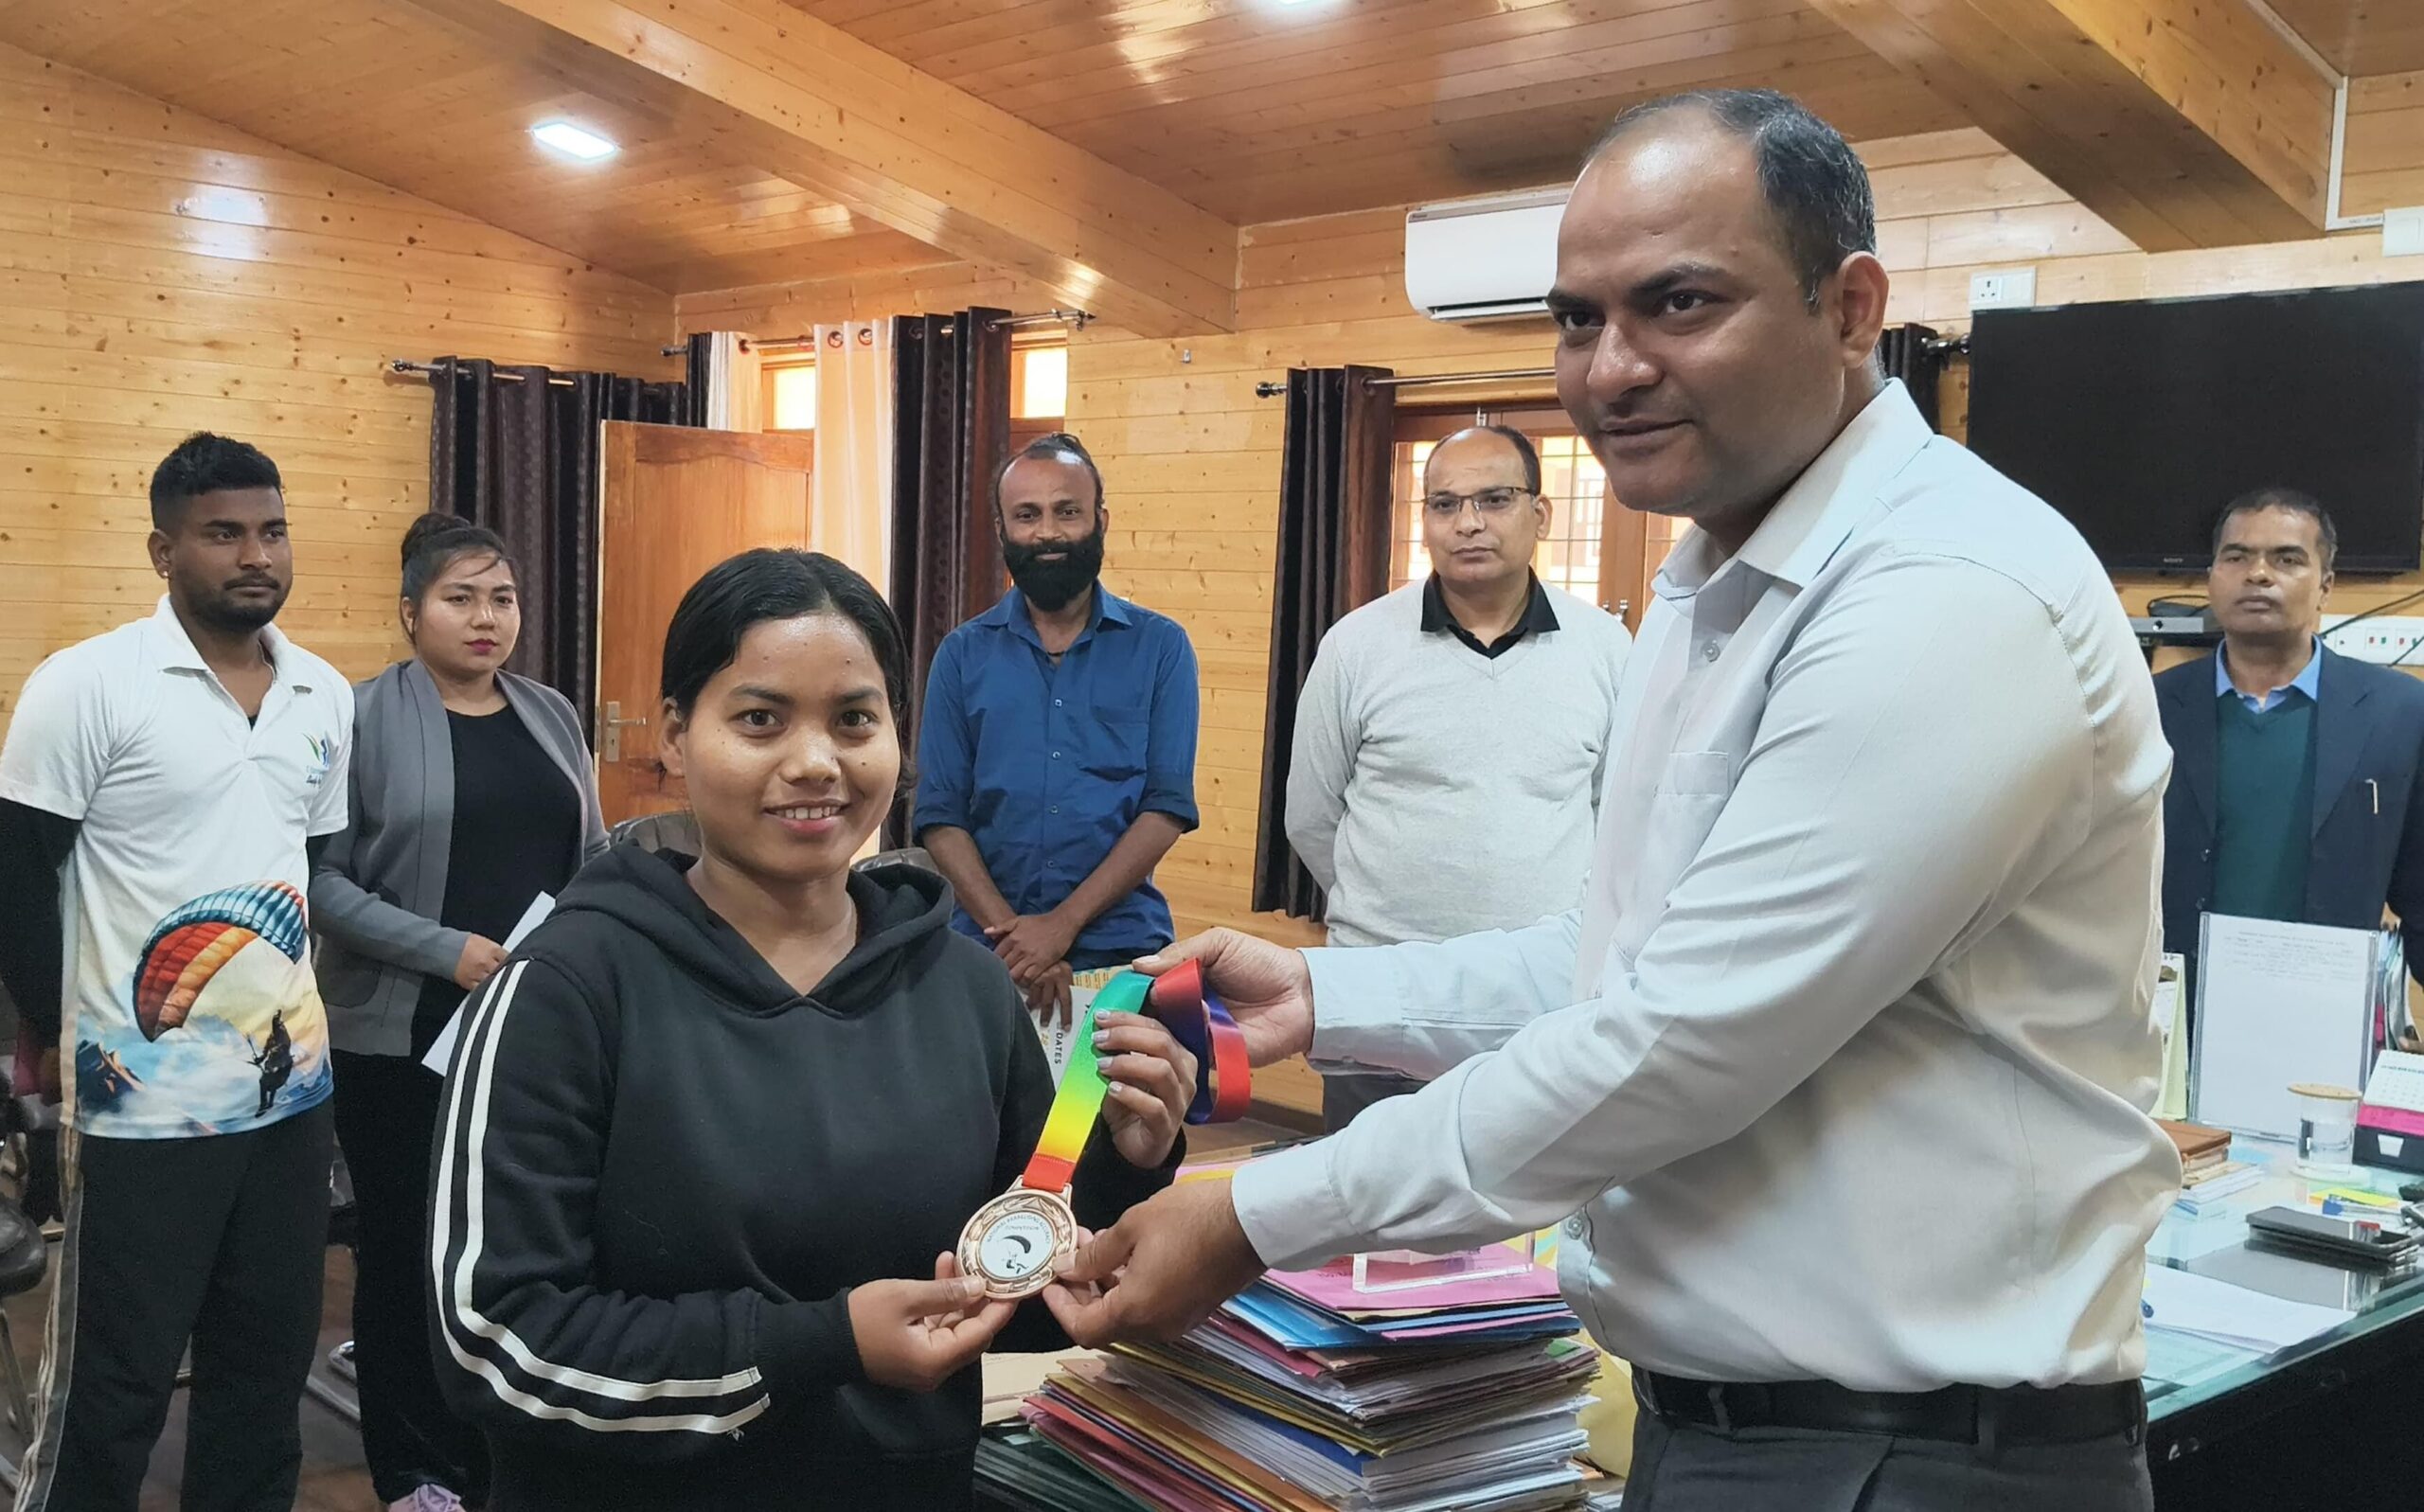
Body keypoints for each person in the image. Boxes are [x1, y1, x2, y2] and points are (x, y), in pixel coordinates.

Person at [1044, 90, 2178, 1512]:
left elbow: (1681, 1040)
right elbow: (1620, 958)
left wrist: (1253, 1215)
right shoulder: (1709, 589)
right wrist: (1328, 997)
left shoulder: (1944, 591)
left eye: (1680, 303)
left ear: (1849, 309)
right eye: (1578, 319)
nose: (1614, 368)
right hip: (1741, 1430)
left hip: (1921, 1456)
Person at [426, 548, 1197, 1510]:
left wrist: (1128, 1163)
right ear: (675, 735)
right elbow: (494, 1343)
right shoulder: (562, 990)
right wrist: (821, 1345)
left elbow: (1021, 1292)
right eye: (760, 718)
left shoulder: (965, 989)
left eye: (853, 719)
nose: (815, 762)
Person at [0, 433, 353, 1511]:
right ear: (164, 551)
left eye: (273, 530)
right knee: (116, 1381)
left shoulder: (323, 692)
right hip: (137, 1109)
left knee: (263, 1367)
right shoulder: (86, 684)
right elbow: (18, 875)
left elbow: (307, 861)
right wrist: (60, 1038)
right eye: (224, 533)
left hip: (290, 1099)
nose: (256, 555)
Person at [309, 514, 608, 1512]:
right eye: (460, 597)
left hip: (527, 1030)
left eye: (503, 598)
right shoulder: (361, 717)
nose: (487, 618)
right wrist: (447, 949)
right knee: (407, 1253)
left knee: (513, 1246)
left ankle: (499, 1456)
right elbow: (323, 882)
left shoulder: (550, 713)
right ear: (410, 611)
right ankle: (414, 1470)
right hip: (401, 1035)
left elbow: (591, 856)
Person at [1287, 423, 1629, 1130]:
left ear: (1541, 514)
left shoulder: (1604, 647)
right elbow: (1312, 816)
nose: (1467, 523)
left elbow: (1615, 812)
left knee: (1533, 1195)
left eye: (1494, 499)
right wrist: (1391, 909)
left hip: (1541, 1006)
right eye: (1444, 504)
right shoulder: (1356, 645)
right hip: (1378, 1001)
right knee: (1370, 1191)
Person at [916, 432, 1202, 1023]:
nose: (1047, 532)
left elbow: (1166, 807)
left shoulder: (1161, 648)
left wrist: (1060, 927)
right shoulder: (961, 655)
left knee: (1120, 1091)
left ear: (1100, 520)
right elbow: (940, 816)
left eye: (1067, 511)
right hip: (984, 954)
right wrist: (1017, 943)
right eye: (1027, 515)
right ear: (1002, 530)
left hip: (1123, 955)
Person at [2154, 489, 2424, 1011]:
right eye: (2237, 557)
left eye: (2287, 559)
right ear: (2211, 577)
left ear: (2326, 586)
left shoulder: (2400, 713)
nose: (2258, 574)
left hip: (2325, 1013)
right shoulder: (2148, 709)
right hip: (2171, 1014)